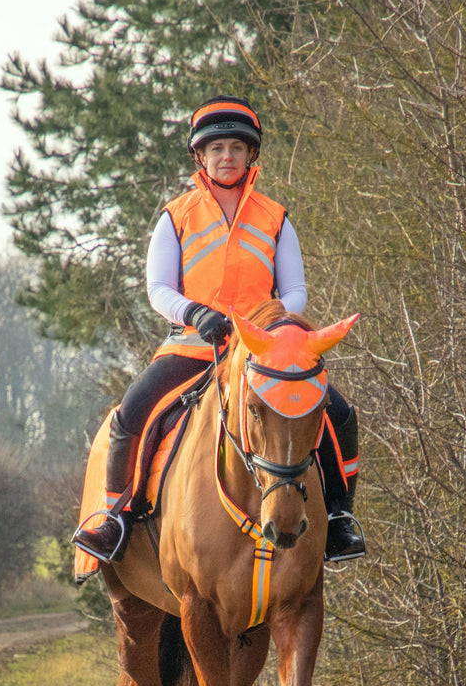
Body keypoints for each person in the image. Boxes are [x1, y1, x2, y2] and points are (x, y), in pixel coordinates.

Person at [73, 95, 365, 563]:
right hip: (192, 346)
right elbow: (157, 288)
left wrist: (269, 325)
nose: (226, 156)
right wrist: (195, 314)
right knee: (133, 412)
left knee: (340, 414)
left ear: (251, 155)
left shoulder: (276, 218)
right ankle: (115, 517)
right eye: (216, 149)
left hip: (262, 353)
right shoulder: (176, 216)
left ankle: (338, 517)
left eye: (235, 147)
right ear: (199, 157)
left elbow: (295, 292)